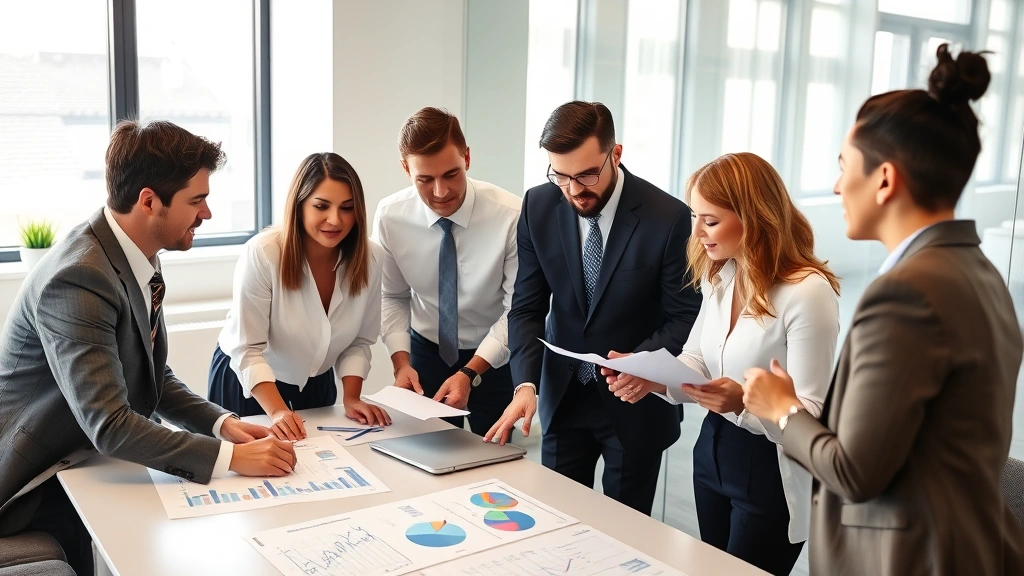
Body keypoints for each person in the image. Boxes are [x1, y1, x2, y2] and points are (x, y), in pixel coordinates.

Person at [742, 45, 1024, 575]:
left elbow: (853, 472)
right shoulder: (981, 274)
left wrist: (782, 409)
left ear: (886, 180)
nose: (835, 186)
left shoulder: (906, 294)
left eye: (843, 167)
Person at [0, 120, 297, 576]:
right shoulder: (78, 277)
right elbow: (110, 424)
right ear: (149, 202)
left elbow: (149, 373)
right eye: (196, 200)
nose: (207, 214)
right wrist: (231, 459)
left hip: (87, 462)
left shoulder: (133, 252)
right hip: (37, 481)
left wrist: (221, 424)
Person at [606, 152, 840, 575]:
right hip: (712, 451)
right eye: (694, 216)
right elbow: (698, 358)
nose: (696, 232)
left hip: (771, 468)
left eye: (709, 221)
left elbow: (813, 414)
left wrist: (743, 403)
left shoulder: (808, 292)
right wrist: (651, 377)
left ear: (754, 218)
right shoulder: (722, 274)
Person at [485, 101, 702, 515]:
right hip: (563, 398)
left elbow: (684, 316)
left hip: (635, 401)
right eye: (560, 176)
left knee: (625, 530)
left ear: (615, 154)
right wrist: (525, 384)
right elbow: (526, 307)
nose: (573, 189)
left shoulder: (669, 217)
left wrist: (642, 366)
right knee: (558, 520)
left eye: (586, 174)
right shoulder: (538, 206)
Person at [209, 153, 390, 440]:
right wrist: (278, 411)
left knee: (320, 459)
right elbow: (247, 349)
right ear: (299, 205)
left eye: (347, 208)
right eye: (321, 206)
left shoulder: (372, 258)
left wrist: (352, 398)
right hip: (249, 380)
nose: (335, 220)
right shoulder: (264, 253)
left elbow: (359, 341)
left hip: (316, 381)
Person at [372, 107, 521, 435]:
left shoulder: (511, 215)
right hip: (425, 354)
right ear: (405, 169)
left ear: (467, 158)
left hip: (495, 357)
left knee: (494, 455)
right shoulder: (390, 216)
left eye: (451, 174)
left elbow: (517, 310)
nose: (440, 192)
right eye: (425, 179)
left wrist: (470, 372)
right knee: (427, 452)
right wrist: (401, 363)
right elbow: (392, 296)